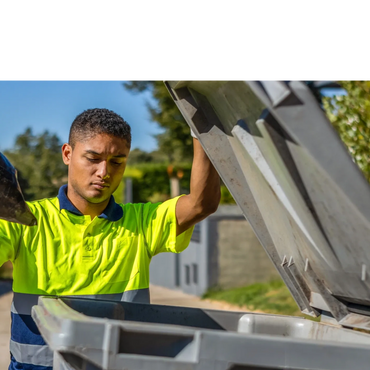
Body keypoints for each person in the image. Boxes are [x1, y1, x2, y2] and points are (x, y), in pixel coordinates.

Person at [0, 108, 221, 369]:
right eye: (93, 158)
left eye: (117, 161)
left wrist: (202, 129)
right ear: (67, 154)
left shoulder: (142, 222)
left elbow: (200, 204)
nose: (104, 172)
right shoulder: (23, 219)